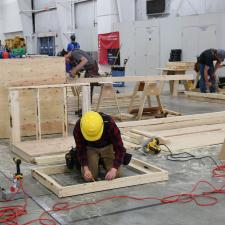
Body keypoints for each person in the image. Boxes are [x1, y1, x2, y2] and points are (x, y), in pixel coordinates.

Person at [73, 111, 126, 181]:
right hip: (90, 148)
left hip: (107, 146)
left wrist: (114, 169)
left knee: (117, 174)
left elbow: (120, 148)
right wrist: (86, 169)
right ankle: (96, 162)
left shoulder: (109, 123)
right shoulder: (79, 127)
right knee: (89, 177)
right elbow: (80, 149)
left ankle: (102, 162)